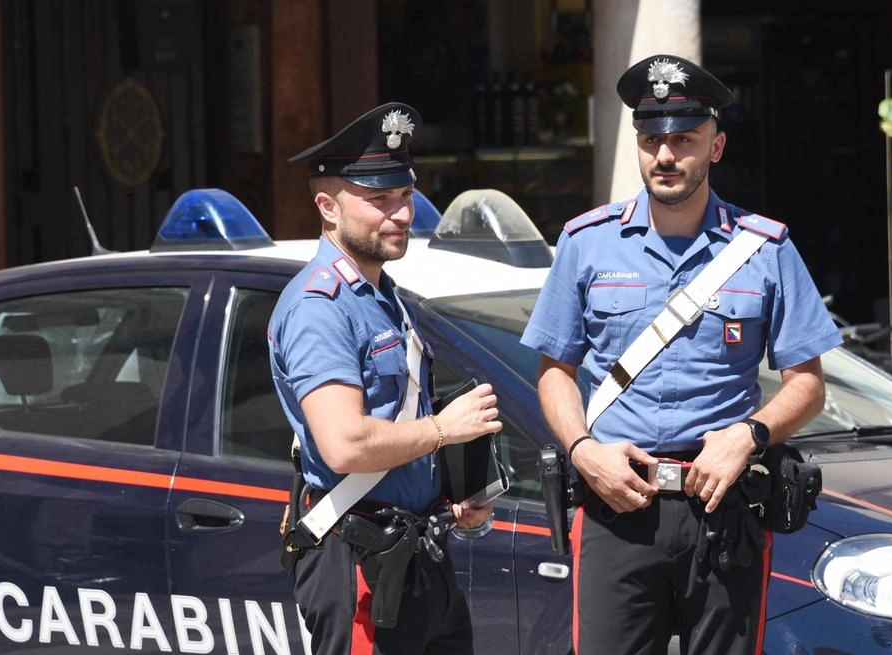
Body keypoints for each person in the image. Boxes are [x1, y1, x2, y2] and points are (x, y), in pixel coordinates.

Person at [520, 54, 842, 655]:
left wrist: (748, 436)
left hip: (723, 505)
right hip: (618, 502)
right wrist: (584, 452)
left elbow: (808, 385)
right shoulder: (586, 243)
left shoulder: (765, 249)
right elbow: (554, 372)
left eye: (684, 140)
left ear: (716, 147)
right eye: (651, 140)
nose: (665, 156)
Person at [269, 102, 502, 655]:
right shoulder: (319, 306)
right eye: (378, 200)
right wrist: (446, 431)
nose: (401, 213)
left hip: (415, 547)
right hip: (360, 559)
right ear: (327, 207)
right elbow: (346, 443)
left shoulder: (380, 294)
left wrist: (449, 494)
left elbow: (397, 418)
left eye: (404, 194)